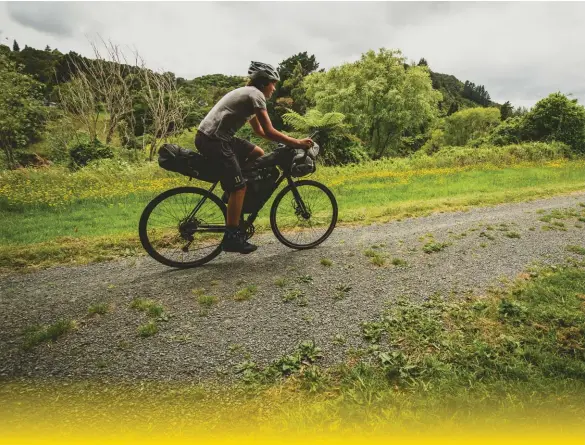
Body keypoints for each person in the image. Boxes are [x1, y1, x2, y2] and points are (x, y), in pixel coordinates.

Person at [195, 61, 313, 254]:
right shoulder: (255, 95)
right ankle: (232, 237)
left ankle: (233, 188)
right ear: (264, 82)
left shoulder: (247, 94)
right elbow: (268, 129)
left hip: (217, 138)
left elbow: (259, 131)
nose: (274, 88)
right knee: (239, 186)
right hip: (213, 140)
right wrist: (296, 142)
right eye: (273, 83)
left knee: (257, 153)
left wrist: (284, 141)